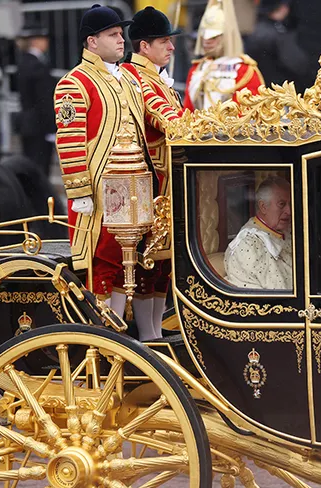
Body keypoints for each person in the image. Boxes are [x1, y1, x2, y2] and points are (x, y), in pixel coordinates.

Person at [54, 4, 181, 320]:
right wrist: (80, 192)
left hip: (134, 188)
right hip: (99, 193)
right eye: (112, 34)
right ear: (91, 42)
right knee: (102, 266)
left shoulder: (129, 79)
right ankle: (102, 335)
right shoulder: (74, 83)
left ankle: (126, 333)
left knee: (131, 263)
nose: (121, 39)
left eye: (120, 33)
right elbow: (70, 143)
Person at [123, 6, 184, 340]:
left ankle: (154, 331)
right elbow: (167, 121)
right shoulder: (137, 79)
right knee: (150, 264)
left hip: (167, 184)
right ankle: (148, 335)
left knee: (162, 266)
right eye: (164, 42)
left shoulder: (153, 77)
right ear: (144, 46)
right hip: (152, 185)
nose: (171, 48)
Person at [184, 0, 263, 111]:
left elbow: (248, 113)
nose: (206, 41)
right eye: (203, 36)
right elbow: (188, 111)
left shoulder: (244, 70)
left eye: (213, 37)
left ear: (226, 37)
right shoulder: (196, 69)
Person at [224, 176, 293, 290]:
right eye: (282, 204)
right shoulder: (248, 246)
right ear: (263, 207)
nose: (289, 211)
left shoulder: (285, 232)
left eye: (290, 204)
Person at [16, 27, 57, 179]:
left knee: (33, 166)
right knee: (39, 168)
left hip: (30, 123)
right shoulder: (35, 65)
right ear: (35, 41)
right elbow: (43, 99)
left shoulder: (26, 61)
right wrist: (50, 127)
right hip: (38, 124)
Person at [247, 0, 311, 88]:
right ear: (282, 8)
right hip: (280, 91)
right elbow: (299, 65)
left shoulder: (256, 30)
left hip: (261, 89)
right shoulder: (278, 34)